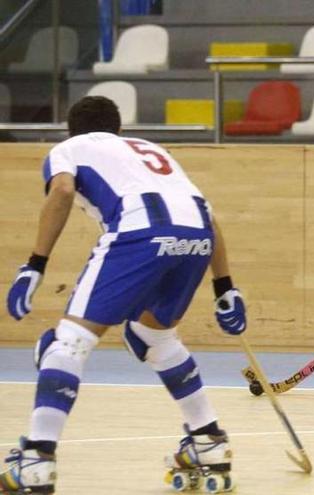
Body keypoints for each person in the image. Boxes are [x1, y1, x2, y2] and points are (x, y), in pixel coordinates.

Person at [1, 96, 247, 493]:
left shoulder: (69, 148)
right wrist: (225, 287)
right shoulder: (151, 149)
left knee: (68, 343)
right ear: (118, 129)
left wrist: (35, 264)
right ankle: (209, 441)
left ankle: (36, 459)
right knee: (154, 336)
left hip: (139, 234)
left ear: (71, 128)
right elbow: (208, 214)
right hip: (196, 238)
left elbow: (61, 192)